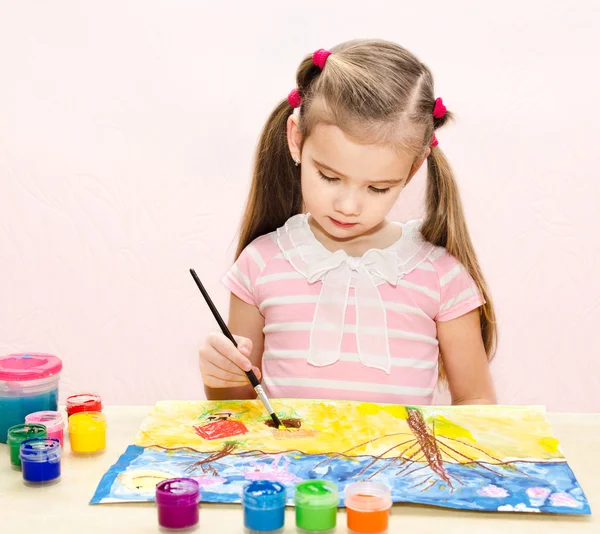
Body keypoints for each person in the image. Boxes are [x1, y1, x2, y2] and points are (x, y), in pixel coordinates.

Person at [199, 39, 497, 406]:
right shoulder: (259, 264)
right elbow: (241, 405)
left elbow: (477, 402)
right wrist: (220, 377)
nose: (348, 206)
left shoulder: (441, 275)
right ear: (296, 139)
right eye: (329, 177)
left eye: (377, 188)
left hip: (399, 464)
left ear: (414, 168)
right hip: (288, 462)